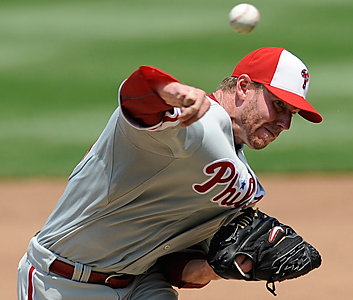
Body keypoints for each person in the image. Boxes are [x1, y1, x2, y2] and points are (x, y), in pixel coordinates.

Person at [17, 47, 322, 300]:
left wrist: (218, 269)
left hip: (142, 283)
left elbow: (172, 263)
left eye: (291, 114)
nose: (285, 123)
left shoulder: (245, 187)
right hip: (60, 282)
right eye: (278, 105)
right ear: (243, 87)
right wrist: (171, 89)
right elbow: (136, 97)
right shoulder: (194, 122)